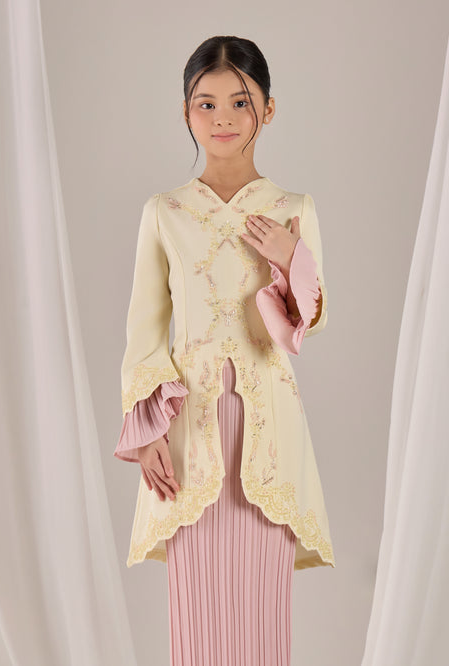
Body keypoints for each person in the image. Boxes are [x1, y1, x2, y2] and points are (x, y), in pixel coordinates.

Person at [114, 35, 336, 666]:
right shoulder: (165, 212)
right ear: (186, 112)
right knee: (197, 618)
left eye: (240, 102)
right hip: (189, 432)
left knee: (263, 618)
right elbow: (144, 332)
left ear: (268, 109)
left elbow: (309, 323)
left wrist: (292, 260)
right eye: (205, 104)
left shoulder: (292, 210)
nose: (222, 119)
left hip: (269, 436)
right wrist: (148, 429)